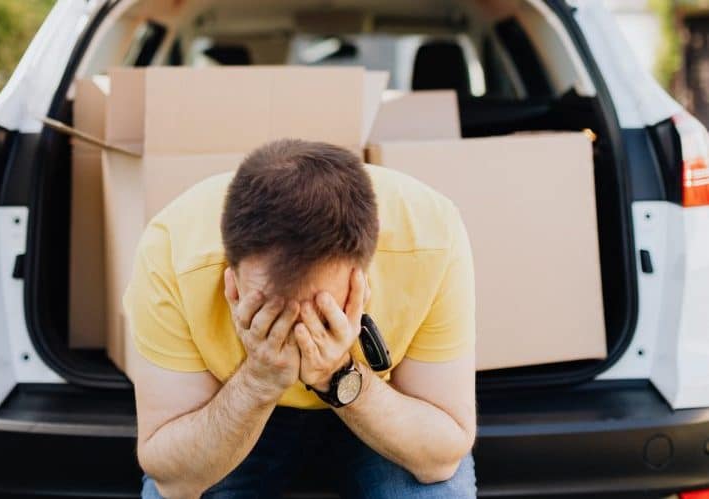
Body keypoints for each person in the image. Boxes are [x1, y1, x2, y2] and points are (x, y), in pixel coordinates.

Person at [126, 139, 477, 499]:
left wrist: (337, 374)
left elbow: (440, 458)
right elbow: (172, 479)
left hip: (382, 400)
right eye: (271, 310)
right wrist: (258, 381)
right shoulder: (172, 250)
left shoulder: (430, 236)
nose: (297, 332)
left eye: (321, 310)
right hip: (231, 408)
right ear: (231, 277)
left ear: (362, 273)